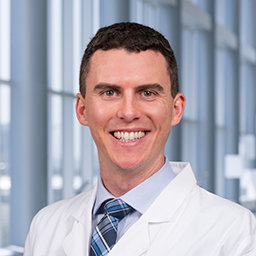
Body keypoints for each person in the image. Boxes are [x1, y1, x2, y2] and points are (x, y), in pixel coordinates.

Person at [24, 22, 256, 256]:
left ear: (176, 109)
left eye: (147, 93)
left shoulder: (235, 234)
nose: (128, 112)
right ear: (82, 110)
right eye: (109, 92)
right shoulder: (46, 226)